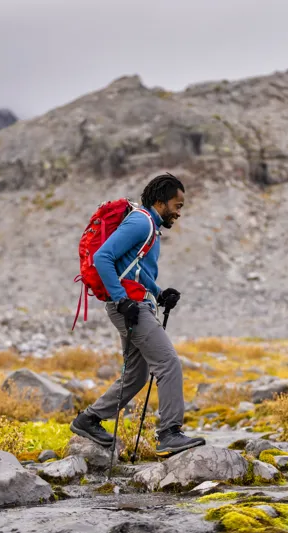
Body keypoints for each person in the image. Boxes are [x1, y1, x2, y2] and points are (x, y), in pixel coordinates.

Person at [70, 173, 206, 457]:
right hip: (130, 307)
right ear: (161, 201)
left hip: (134, 304)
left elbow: (135, 270)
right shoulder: (141, 221)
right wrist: (121, 301)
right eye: (177, 205)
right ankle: (169, 433)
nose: (179, 212)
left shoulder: (149, 226)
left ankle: (89, 420)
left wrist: (158, 293)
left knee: (137, 374)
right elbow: (103, 257)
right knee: (168, 363)